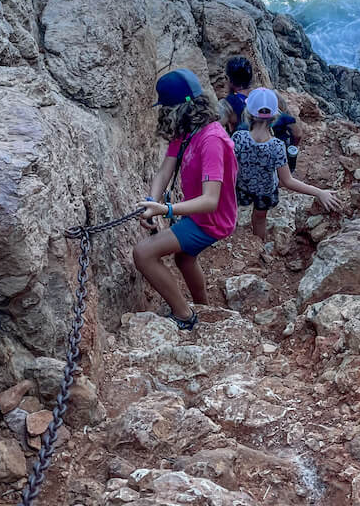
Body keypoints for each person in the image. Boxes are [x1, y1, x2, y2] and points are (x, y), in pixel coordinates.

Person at [133, 68, 238, 330]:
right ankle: (203, 308)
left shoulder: (212, 140)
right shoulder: (188, 131)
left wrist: (165, 209)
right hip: (199, 215)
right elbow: (165, 170)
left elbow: (210, 200)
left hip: (211, 221)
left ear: (178, 108)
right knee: (184, 258)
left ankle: (184, 316)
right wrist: (151, 203)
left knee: (143, 254)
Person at [232, 87, 339, 242]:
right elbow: (288, 181)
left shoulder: (238, 137)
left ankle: (231, 236)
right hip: (265, 191)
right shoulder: (277, 146)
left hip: (241, 186)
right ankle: (258, 246)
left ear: (248, 113)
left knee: (234, 209)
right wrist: (319, 192)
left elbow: (231, 168)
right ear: (275, 116)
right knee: (260, 218)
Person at [220, 56, 253, 135]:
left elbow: (213, 127)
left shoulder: (227, 103)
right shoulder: (264, 95)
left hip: (243, 145)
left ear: (228, 79)